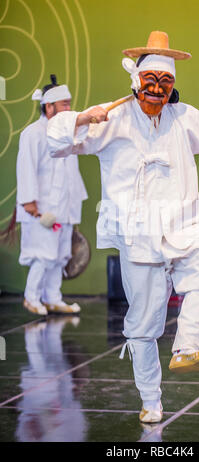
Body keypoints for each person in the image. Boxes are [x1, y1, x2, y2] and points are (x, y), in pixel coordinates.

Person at [47, 32, 199, 423]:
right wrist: (83, 117)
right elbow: (57, 141)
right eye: (149, 81)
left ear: (171, 87)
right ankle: (150, 399)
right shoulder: (111, 118)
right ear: (136, 83)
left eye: (164, 83)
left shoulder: (184, 118)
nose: (156, 90)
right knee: (144, 324)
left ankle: (186, 348)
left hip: (182, 224)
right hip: (138, 234)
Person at [16, 75, 88, 316]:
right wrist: (30, 203)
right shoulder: (33, 133)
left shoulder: (68, 134)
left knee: (59, 256)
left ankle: (53, 297)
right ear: (49, 107)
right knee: (43, 254)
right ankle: (32, 297)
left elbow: (70, 173)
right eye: (64, 104)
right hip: (41, 208)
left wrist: (74, 205)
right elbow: (26, 168)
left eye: (69, 103)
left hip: (63, 207)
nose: (69, 108)